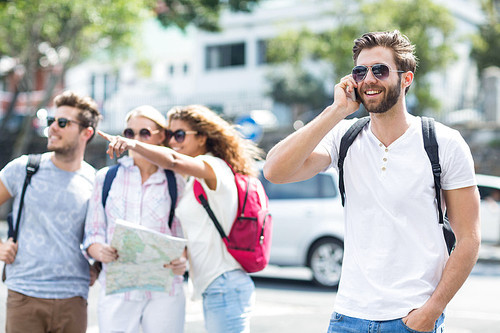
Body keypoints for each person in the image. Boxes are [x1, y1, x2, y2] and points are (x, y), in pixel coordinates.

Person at [263, 30, 480, 333]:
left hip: (412, 319)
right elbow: (274, 171)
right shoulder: (344, 137)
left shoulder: (444, 143)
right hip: (347, 317)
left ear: (406, 79)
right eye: (360, 71)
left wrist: (432, 310)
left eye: (380, 69)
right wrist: (337, 110)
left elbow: (469, 239)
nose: (369, 79)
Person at [98, 104, 263, 333]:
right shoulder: (192, 179)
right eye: (170, 135)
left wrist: (132, 144)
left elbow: (173, 161)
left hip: (224, 283)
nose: (173, 142)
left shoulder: (213, 166)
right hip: (216, 285)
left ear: (202, 137)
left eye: (180, 135)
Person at [0, 90, 102, 333]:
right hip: (25, 294)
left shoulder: (95, 181)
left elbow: (101, 233)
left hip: (73, 299)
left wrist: (96, 267)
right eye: (51, 121)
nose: (53, 128)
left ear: (86, 133)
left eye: (63, 123)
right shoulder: (25, 168)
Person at [83, 105, 187, 333]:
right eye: (129, 133)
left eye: (144, 133)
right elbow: (93, 231)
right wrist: (98, 250)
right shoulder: (106, 178)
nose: (135, 139)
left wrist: (182, 260)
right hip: (119, 287)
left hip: (164, 288)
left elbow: (184, 236)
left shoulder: (176, 180)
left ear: (161, 136)